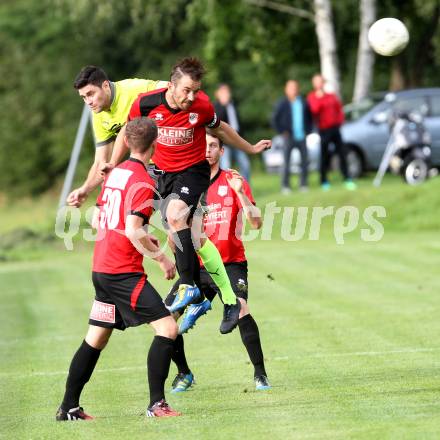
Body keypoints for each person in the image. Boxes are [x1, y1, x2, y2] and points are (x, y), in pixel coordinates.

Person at [108, 57, 271, 334]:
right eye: (186, 90)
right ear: (171, 86)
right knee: (183, 237)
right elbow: (129, 131)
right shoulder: (146, 104)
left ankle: (189, 287)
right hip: (162, 174)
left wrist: (251, 149)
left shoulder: (202, 106)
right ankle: (216, 300)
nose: (191, 96)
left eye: (196, 90)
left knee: (175, 216)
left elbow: (221, 129)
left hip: (193, 172)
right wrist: (113, 164)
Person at [56, 117, 181, 421]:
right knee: (168, 328)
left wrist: (139, 232)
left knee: (96, 337)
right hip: (121, 272)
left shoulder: (116, 173)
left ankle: (68, 407)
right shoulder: (143, 180)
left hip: (102, 267)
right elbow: (132, 228)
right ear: (155, 145)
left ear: (125, 142)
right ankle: (157, 404)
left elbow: (103, 219)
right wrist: (162, 259)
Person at [164, 133, 271, 393]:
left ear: (222, 151)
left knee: (241, 309)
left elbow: (256, 222)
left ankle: (260, 375)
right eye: (203, 146)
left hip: (231, 264)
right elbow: (175, 237)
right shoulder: (187, 187)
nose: (207, 150)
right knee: (166, 318)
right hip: (198, 269)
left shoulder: (233, 180)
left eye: (213, 146)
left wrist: (241, 194)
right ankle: (184, 373)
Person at [66, 66, 167, 207]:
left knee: (176, 219)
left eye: (91, 94)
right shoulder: (99, 115)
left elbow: (173, 88)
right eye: (84, 97)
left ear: (105, 85)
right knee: (110, 213)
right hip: (146, 167)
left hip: (171, 159)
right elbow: (101, 163)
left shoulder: (133, 88)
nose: (88, 101)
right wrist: (85, 190)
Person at [307, 74, 356, 191]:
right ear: (314, 84)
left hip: (335, 128)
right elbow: (314, 111)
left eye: (321, 82)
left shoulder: (332, 96)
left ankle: (347, 178)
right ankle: (324, 180)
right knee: (324, 155)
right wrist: (319, 98)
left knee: (341, 152)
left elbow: (339, 109)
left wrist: (340, 121)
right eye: (317, 82)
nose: (320, 84)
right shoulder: (312, 97)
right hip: (323, 129)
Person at [272, 80, 312, 193]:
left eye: (295, 87)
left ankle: (303, 184)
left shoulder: (303, 102)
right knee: (286, 162)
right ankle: (285, 186)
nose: (293, 90)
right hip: (288, 137)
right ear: (286, 89)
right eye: (290, 88)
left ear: (298, 89)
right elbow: (274, 119)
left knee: (304, 161)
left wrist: (308, 131)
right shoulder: (282, 103)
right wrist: (282, 131)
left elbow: (309, 118)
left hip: (302, 136)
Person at [214, 83, 251, 182]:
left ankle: (245, 191)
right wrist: (223, 105)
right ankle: (228, 191)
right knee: (226, 167)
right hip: (225, 143)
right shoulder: (216, 107)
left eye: (227, 92)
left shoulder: (233, 105)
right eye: (223, 92)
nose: (226, 94)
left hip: (237, 141)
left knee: (245, 165)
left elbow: (238, 123)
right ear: (217, 94)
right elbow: (218, 123)